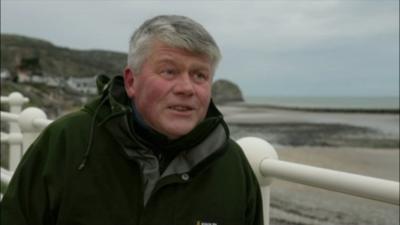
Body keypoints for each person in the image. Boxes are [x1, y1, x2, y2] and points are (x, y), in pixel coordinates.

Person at [1, 15, 263, 225]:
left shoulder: (232, 166)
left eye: (199, 76)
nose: (187, 88)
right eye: (169, 71)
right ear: (130, 81)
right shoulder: (67, 144)